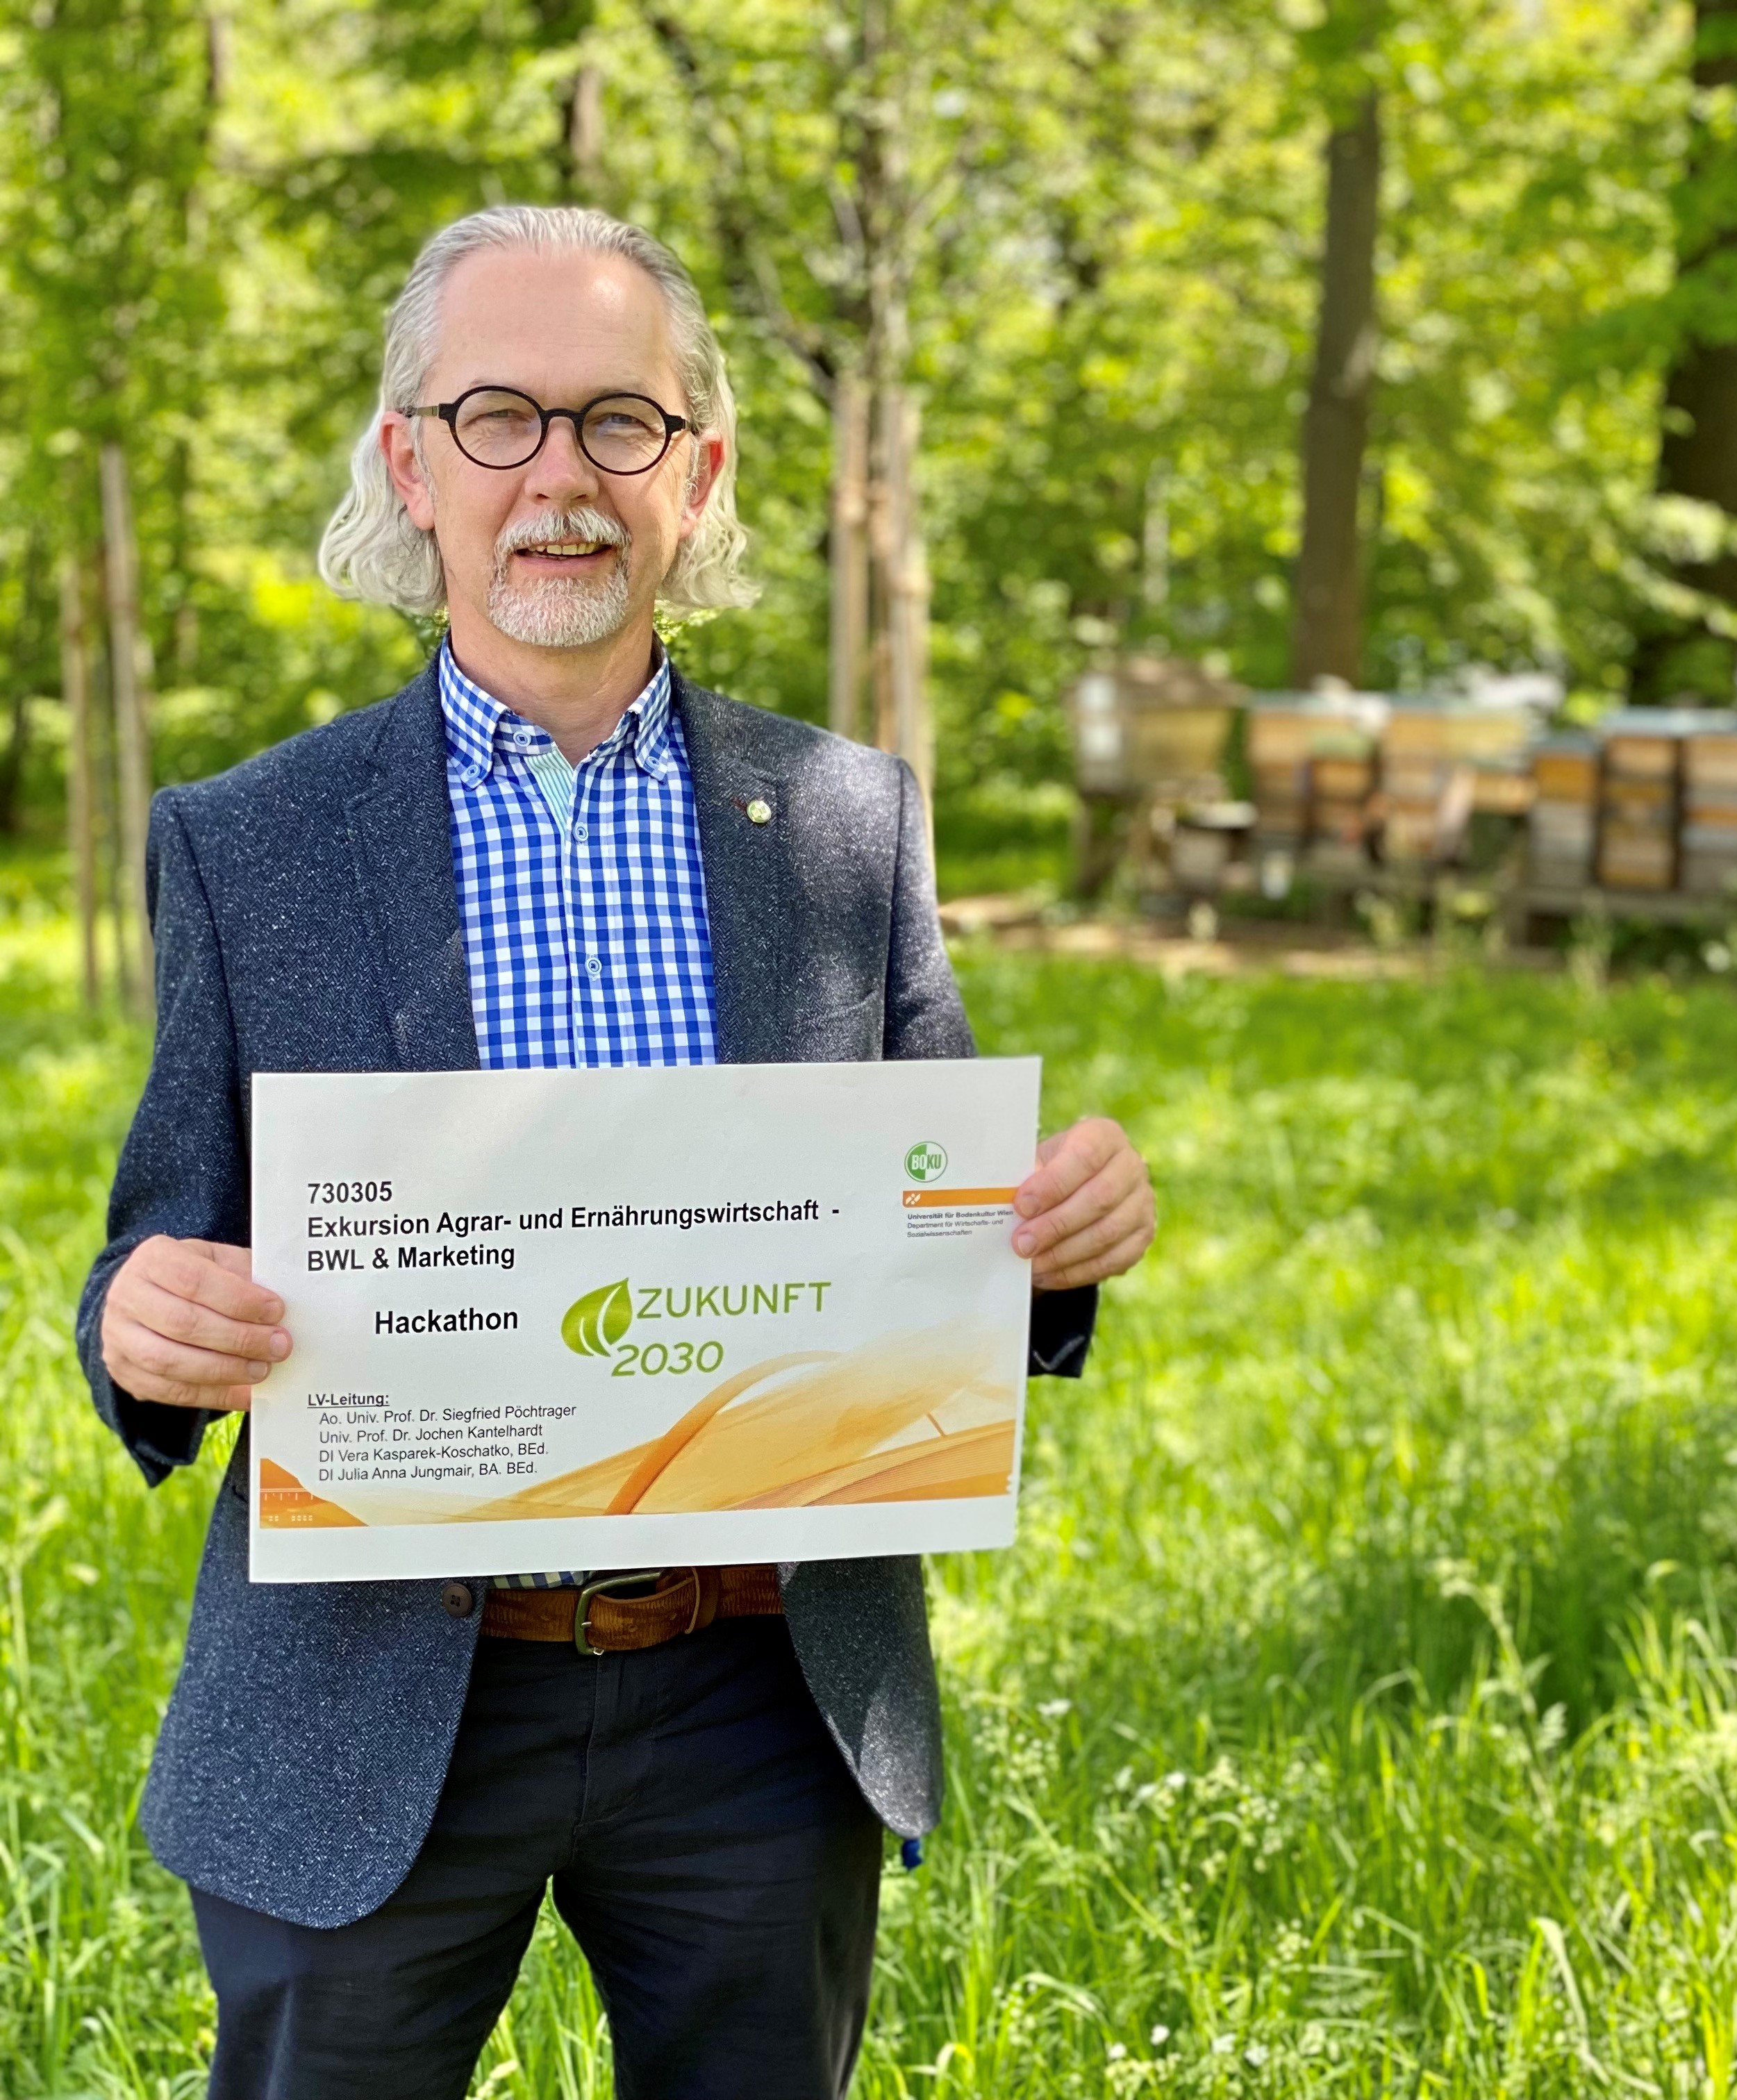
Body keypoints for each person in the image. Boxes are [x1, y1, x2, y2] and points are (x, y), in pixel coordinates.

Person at [72, 205, 1158, 2100]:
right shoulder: (252, 842)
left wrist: (1056, 1232)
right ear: (414, 465)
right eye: (498, 417)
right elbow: (160, 1250)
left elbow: (945, 1219)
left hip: (759, 1698)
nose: (560, 477)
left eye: (619, 421)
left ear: (698, 473)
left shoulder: (848, 820)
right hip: (373, 1697)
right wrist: (141, 1326)